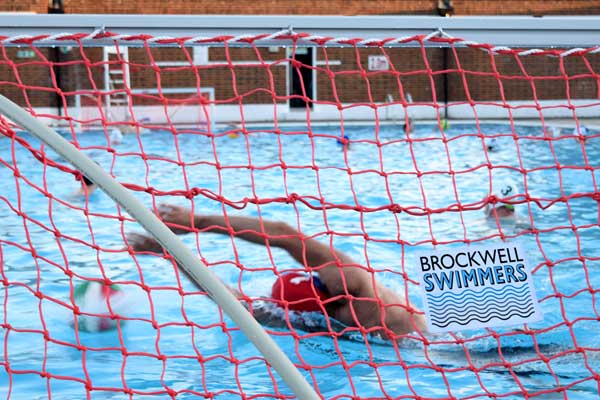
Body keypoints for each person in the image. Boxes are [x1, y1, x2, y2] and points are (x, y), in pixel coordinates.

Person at [127, 204, 427, 340]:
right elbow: (285, 235)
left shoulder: (307, 316)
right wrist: (178, 244)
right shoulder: (350, 288)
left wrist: (191, 231)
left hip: (424, 339)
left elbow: (227, 297)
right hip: (429, 343)